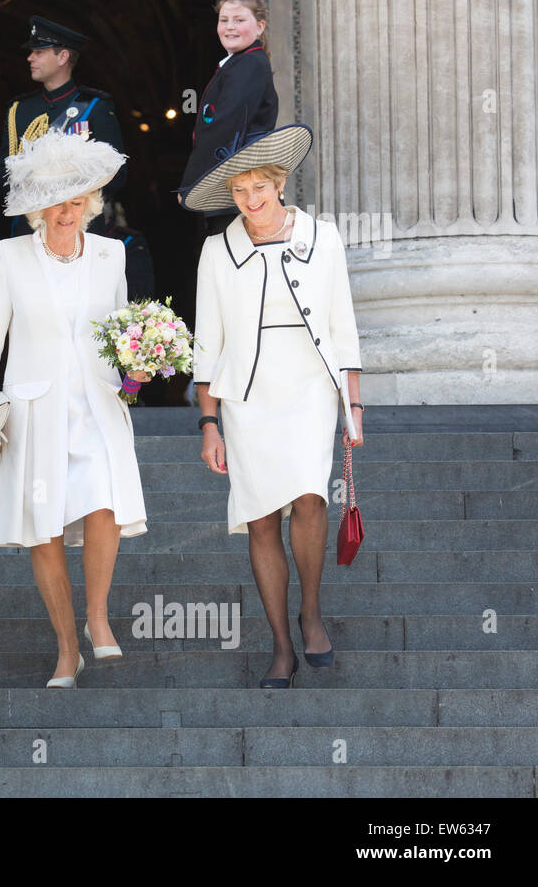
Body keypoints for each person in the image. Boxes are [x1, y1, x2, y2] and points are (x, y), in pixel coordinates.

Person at [0, 132, 149, 688]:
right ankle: (67, 650)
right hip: (35, 407)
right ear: (38, 207)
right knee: (42, 529)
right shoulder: (14, 256)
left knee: (103, 504)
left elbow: (124, 330)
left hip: (97, 401)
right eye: (56, 202)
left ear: (89, 204)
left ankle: (97, 619)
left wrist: (138, 373)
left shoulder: (111, 253)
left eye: (76, 202)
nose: (67, 212)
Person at [185, 124, 363, 689]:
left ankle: (311, 613)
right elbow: (206, 345)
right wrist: (208, 423)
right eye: (240, 190)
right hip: (245, 397)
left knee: (310, 498)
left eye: (260, 185)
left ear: (280, 182)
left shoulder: (324, 238)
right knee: (261, 517)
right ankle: (281, 646)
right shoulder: (217, 251)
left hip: (310, 387)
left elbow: (343, 327)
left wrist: (353, 407)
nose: (251, 198)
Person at [0, 15, 128, 238]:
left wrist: (64, 195)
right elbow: (1, 173)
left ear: (62, 56)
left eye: (38, 52)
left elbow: (117, 173)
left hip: (80, 228)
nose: (29, 58)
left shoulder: (95, 106)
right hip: (30, 229)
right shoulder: (19, 109)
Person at [177, 0, 278, 235]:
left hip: (242, 191)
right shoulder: (240, 63)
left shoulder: (249, 64)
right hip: (233, 189)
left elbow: (225, 125)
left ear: (259, 26)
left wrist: (192, 182)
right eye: (224, 20)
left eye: (239, 20)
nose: (230, 27)